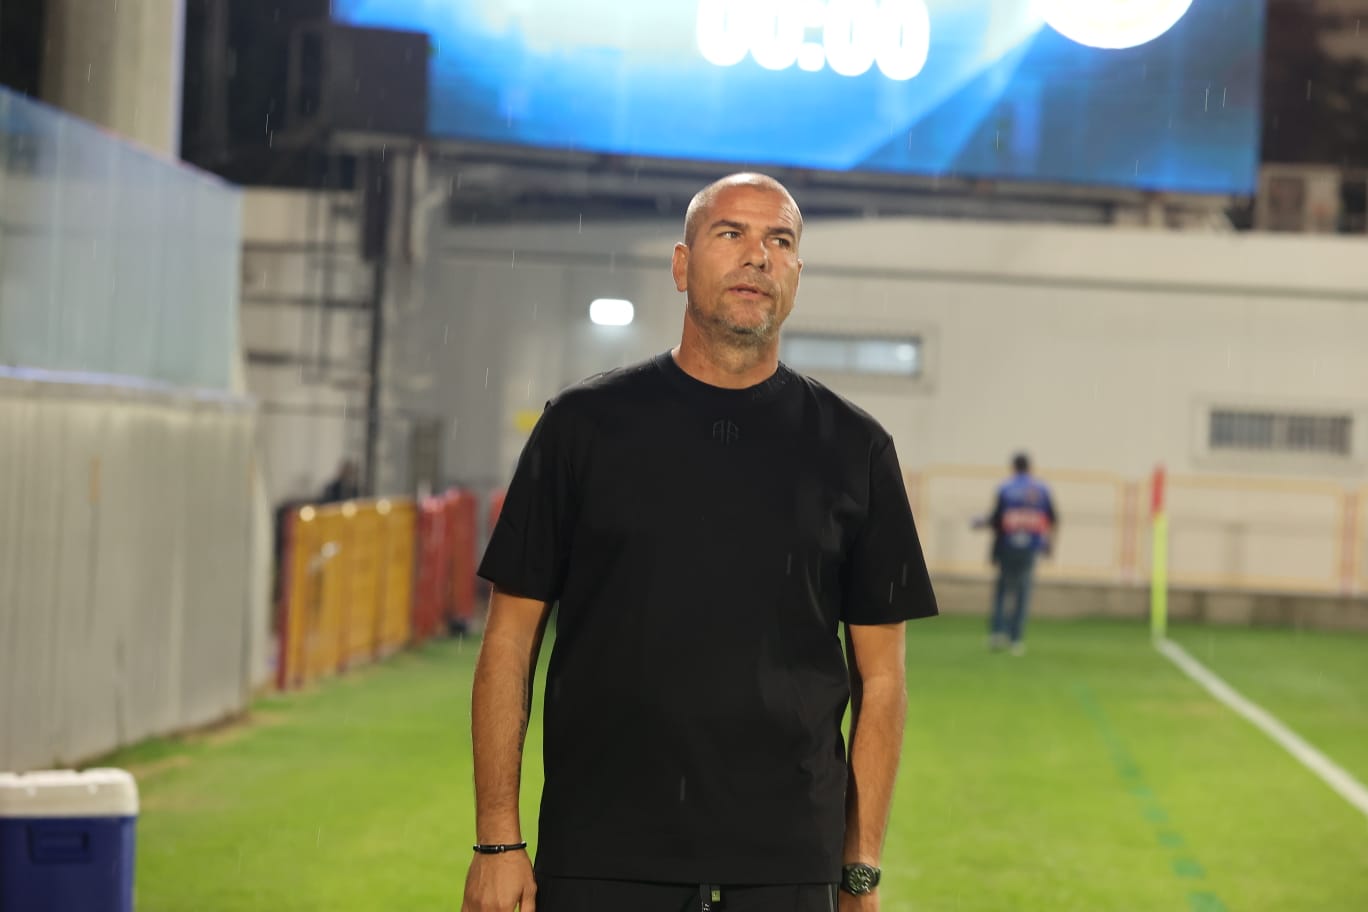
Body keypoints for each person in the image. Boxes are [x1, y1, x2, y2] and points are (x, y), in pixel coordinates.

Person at [461, 173, 938, 912]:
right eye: (731, 233)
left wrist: (860, 869)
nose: (758, 256)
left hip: (785, 866)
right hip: (603, 856)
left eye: (780, 240)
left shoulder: (856, 449)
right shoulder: (582, 427)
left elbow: (882, 682)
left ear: (797, 274)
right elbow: (509, 641)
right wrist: (498, 839)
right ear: (681, 266)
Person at [977, 453, 1057, 656]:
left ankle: (997, 633)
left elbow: (997, 519)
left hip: (1007, 545)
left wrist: (983, 525)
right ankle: (1016, 639)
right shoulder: (1041, 489)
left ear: (1013, 467)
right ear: (1030, 467)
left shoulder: (1006, 488)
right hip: (1030, 547)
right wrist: (1049, 544)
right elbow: (1052, 518)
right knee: (1023, 591)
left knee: (1003, 589)